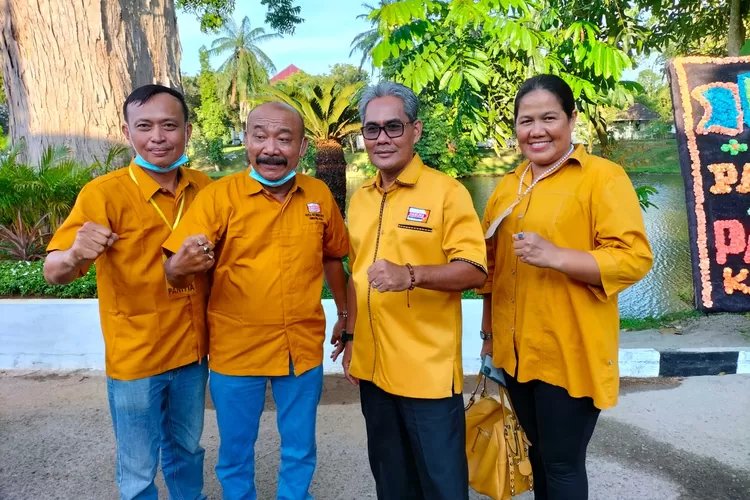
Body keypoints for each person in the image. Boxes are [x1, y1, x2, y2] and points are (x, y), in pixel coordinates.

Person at [478, 74, 653, 500]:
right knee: (537, 455)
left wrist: (557, 256)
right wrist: (488, 336)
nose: (536, 131)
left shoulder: (602, 178)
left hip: (569, 348)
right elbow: (492, 270)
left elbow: (634, 258)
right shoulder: (509, 185)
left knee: (561, 462)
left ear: (571, 119)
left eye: (549, 118)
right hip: (516, 351)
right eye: (526, 121)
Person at [162, 101, 349, 500]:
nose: (271, 148)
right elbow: (176, 267)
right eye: (260, 136)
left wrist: (345, 314)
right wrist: (179, 265)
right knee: (235, 451)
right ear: (246, 140)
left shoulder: (317, 194)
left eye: (284, 138)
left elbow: (334, 257)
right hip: (237, 347)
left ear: (302, 147)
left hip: (300, 346)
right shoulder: (218, 197)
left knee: (300, 446)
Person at [43, 84, 213, 500]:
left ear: (187, 131)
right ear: (127, 131)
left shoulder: (205, 188)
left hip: (193, 351)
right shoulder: (103, 194)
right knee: (138, 464)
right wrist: (74, 254)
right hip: (136, 355)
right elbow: (53, 272)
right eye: (144, 126)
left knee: (187, 450)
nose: (158, 137)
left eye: (169, 125)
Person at [335, 81, 487, 500]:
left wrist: (412, 275)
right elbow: (357, 274)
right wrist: (351, 337)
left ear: (415, 130)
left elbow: (474, 270)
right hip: (373, 368)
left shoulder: (446, 192)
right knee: (391, 481)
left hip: (426, 371)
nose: (382, 138)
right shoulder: (361, 198)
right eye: (372, 129)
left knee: (441, 485)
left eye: (393, 127)